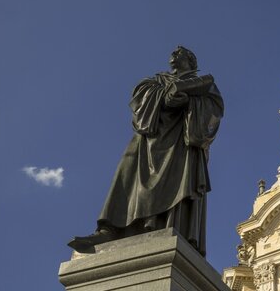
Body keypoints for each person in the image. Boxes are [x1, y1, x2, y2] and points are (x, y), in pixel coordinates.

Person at [68, 46, 223, 256]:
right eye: (173, 52)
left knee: (176, 182)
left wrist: (190, 101)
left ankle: (167, 227)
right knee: (126, 176)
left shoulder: (207, 85)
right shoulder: (156, 81)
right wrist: (165, 96)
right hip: (149, 138)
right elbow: (140, 99)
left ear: (190, 60)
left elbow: (212, 114)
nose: (173, 54)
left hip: (181, 141)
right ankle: (110, 229)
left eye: (179, 52)